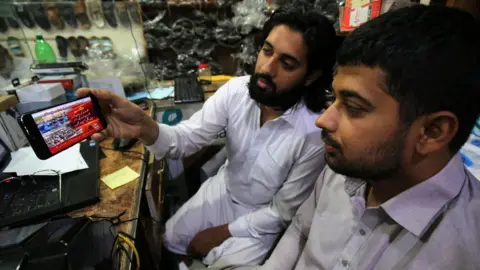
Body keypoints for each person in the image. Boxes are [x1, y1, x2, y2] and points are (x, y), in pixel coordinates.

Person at [76, 2, 336, 266]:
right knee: (168, 241)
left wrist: (221, 233)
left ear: (310, 76)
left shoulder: (314, 133)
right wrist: (144, 126)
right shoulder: (236, 91)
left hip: (260, 217)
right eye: (267, 51)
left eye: (287, 63)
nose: (267, 68)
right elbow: (185, 139)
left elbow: (282, 211)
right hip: (222, 190)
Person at [256, 5, 480, 270]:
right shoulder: (346, 166)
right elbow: (300, 229)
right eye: (333, 97)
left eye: (353, 107)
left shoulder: (465, 250)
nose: (323, 120)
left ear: (432, 132)